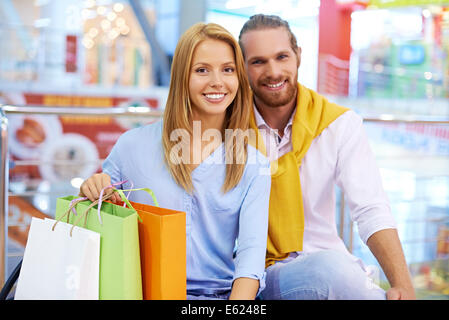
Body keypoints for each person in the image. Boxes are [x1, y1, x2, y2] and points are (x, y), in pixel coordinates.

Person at [79, 22, 271, 300]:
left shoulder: (254, 164)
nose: (218, 81)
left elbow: (251, 256)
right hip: (139, 292)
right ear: (182, 76)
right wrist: (93, 187)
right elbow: (96, 212)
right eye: (202, 70)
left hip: (215, 296)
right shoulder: (132, 146)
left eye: (228, 69)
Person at [238, 14, 416, 300]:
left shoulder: (338, 124)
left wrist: (403, 285)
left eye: (282, 57)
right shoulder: (227, 126)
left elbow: (371, 208)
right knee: (332, 271)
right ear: (243, 68)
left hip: (325, 265)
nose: (273, 71)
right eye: (258, 62)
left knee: (337, 272)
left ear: (298, 56)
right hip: (253, 275)